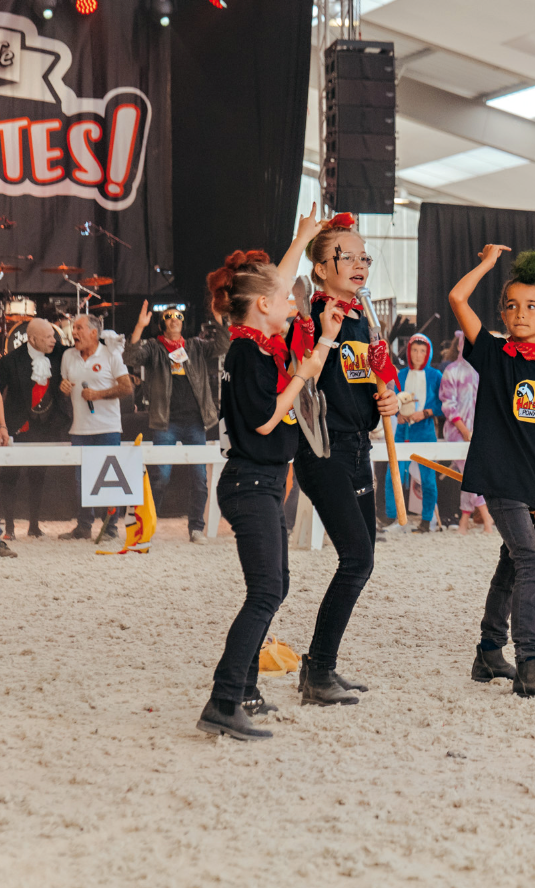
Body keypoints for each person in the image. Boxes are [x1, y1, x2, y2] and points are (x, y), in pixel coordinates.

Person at [196, 225, 344, 741]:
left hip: (259, 481)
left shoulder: (255, 344)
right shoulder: (249, 354)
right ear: (262, 306)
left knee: (273, 586)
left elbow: (273, 282)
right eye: (284, 298)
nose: (292, 301)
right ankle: (223, 698)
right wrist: (302, 374)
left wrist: (304, 235)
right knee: (265, 591)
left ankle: (243, 691)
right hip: (250, 483)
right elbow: (264, 421)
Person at [448, 246, 535, 701]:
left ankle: (487, 652)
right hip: (500, 481)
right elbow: (457, 299)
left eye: (531, 306)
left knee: (510, 564)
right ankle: (528, 663)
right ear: (502, 313)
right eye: (511, 305)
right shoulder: (495, 355)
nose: (520, 314)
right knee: (531, 563)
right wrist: (484, 264)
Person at [291, 212, 400, 706]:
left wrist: (387, 402)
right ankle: (319, 671)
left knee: (363, 560)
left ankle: (318, 665)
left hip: (359, 445)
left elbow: (365, 385)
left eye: (364, 257)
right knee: (356, 559)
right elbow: (303, 381)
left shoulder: (365, 318)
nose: (359, 264)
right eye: (347, 256)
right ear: (320, 267)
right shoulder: (310, 316)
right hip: (323, 449)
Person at [123, 302, 230, 542]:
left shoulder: (194, 346)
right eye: (169, 316)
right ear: (163, 323)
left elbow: (224, 345)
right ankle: (148, 527)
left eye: (178, 315)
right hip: (166, 422)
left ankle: (196, 529)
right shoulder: (154, 347)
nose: (174, 319)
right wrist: (140, 326)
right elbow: (130, 355)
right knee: (160, 477)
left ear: (182, 321)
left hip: (195, 421)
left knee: (199, 478)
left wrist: (217, 318)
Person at [58, 314, 133, 543]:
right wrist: (63, 387)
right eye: (73, 328)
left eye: (79, 328)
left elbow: (127, 387)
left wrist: (98, 395)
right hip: (79, 429)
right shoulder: (68, 356)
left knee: (110, 478)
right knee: (81, 481)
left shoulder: (111, 354)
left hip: (108, 428)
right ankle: (84, 526)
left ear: (94, 332)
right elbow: (65, 388)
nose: (74, 332)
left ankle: (111, 528)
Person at [0, 319, 68, 548]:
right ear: (32, 339)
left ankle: (34, 525)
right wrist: (1, 426)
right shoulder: (10, 360)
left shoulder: (59, 353)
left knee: (38, 475)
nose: (54, 340)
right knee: (10, 476)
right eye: (48, 336)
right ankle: (9, 527)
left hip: (48, 425)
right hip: (19, 425)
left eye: (53, 335)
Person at [385, 333, 441, 532]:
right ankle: (394, 518)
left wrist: (425, 413)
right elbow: (392, 400)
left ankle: (427, 521)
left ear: (428, 353)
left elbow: (443, 404)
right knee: (394, 474)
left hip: (425, 431)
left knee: (427, 478)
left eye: (423, 351)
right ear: (409, 352)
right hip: (402, 431)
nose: (418, 355)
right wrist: (397, 413)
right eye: (415, 350)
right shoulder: (400, 375)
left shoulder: (435, 376)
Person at [438, 331, 493, 534]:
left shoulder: (483, 371)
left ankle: (464, 520)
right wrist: (464, 430)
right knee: (471, 473)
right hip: (456, 431)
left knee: (467, 475)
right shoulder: (451, 371)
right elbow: (448, 404)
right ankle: (486, 518)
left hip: (479, 431)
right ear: (459, 345)